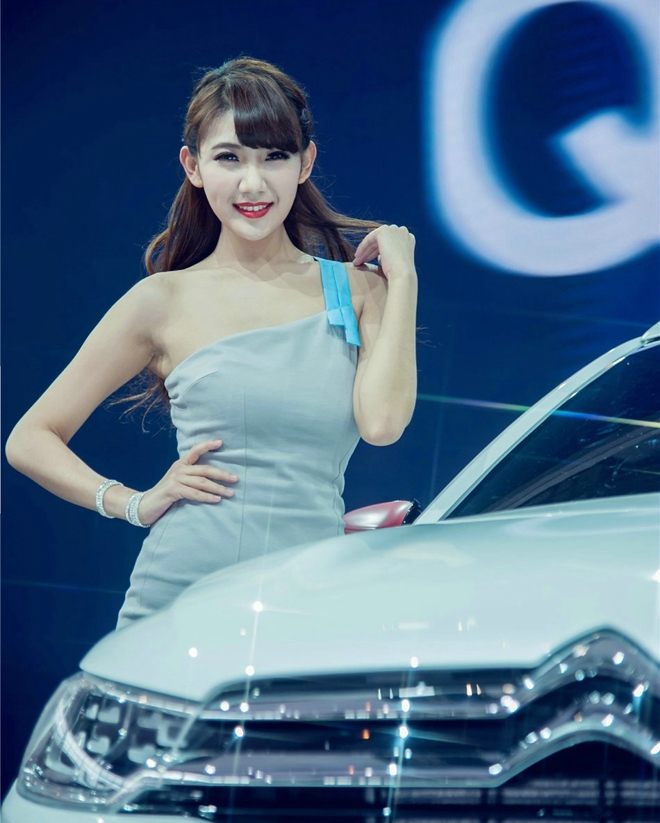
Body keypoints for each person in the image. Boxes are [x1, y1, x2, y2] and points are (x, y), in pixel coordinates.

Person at [5, 57, 418, 629]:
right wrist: (131, 503)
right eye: (229, 158)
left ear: (305, 163)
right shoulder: (162, 300)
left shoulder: (358, 290)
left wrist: (405, 279)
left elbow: (383, 426)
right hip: (179, 600)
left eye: (274, 156)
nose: (253, 183)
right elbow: (29, 438)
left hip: (304, 605)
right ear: (193, 166)